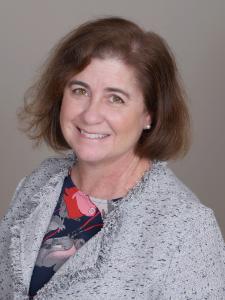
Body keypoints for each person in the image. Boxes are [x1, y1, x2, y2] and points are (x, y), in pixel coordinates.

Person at [0, 16, 224, 300]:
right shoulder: (39, 182)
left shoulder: (187, 229)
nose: (90, 115)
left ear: (149, 114)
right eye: (80, 90)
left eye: (115, 98)